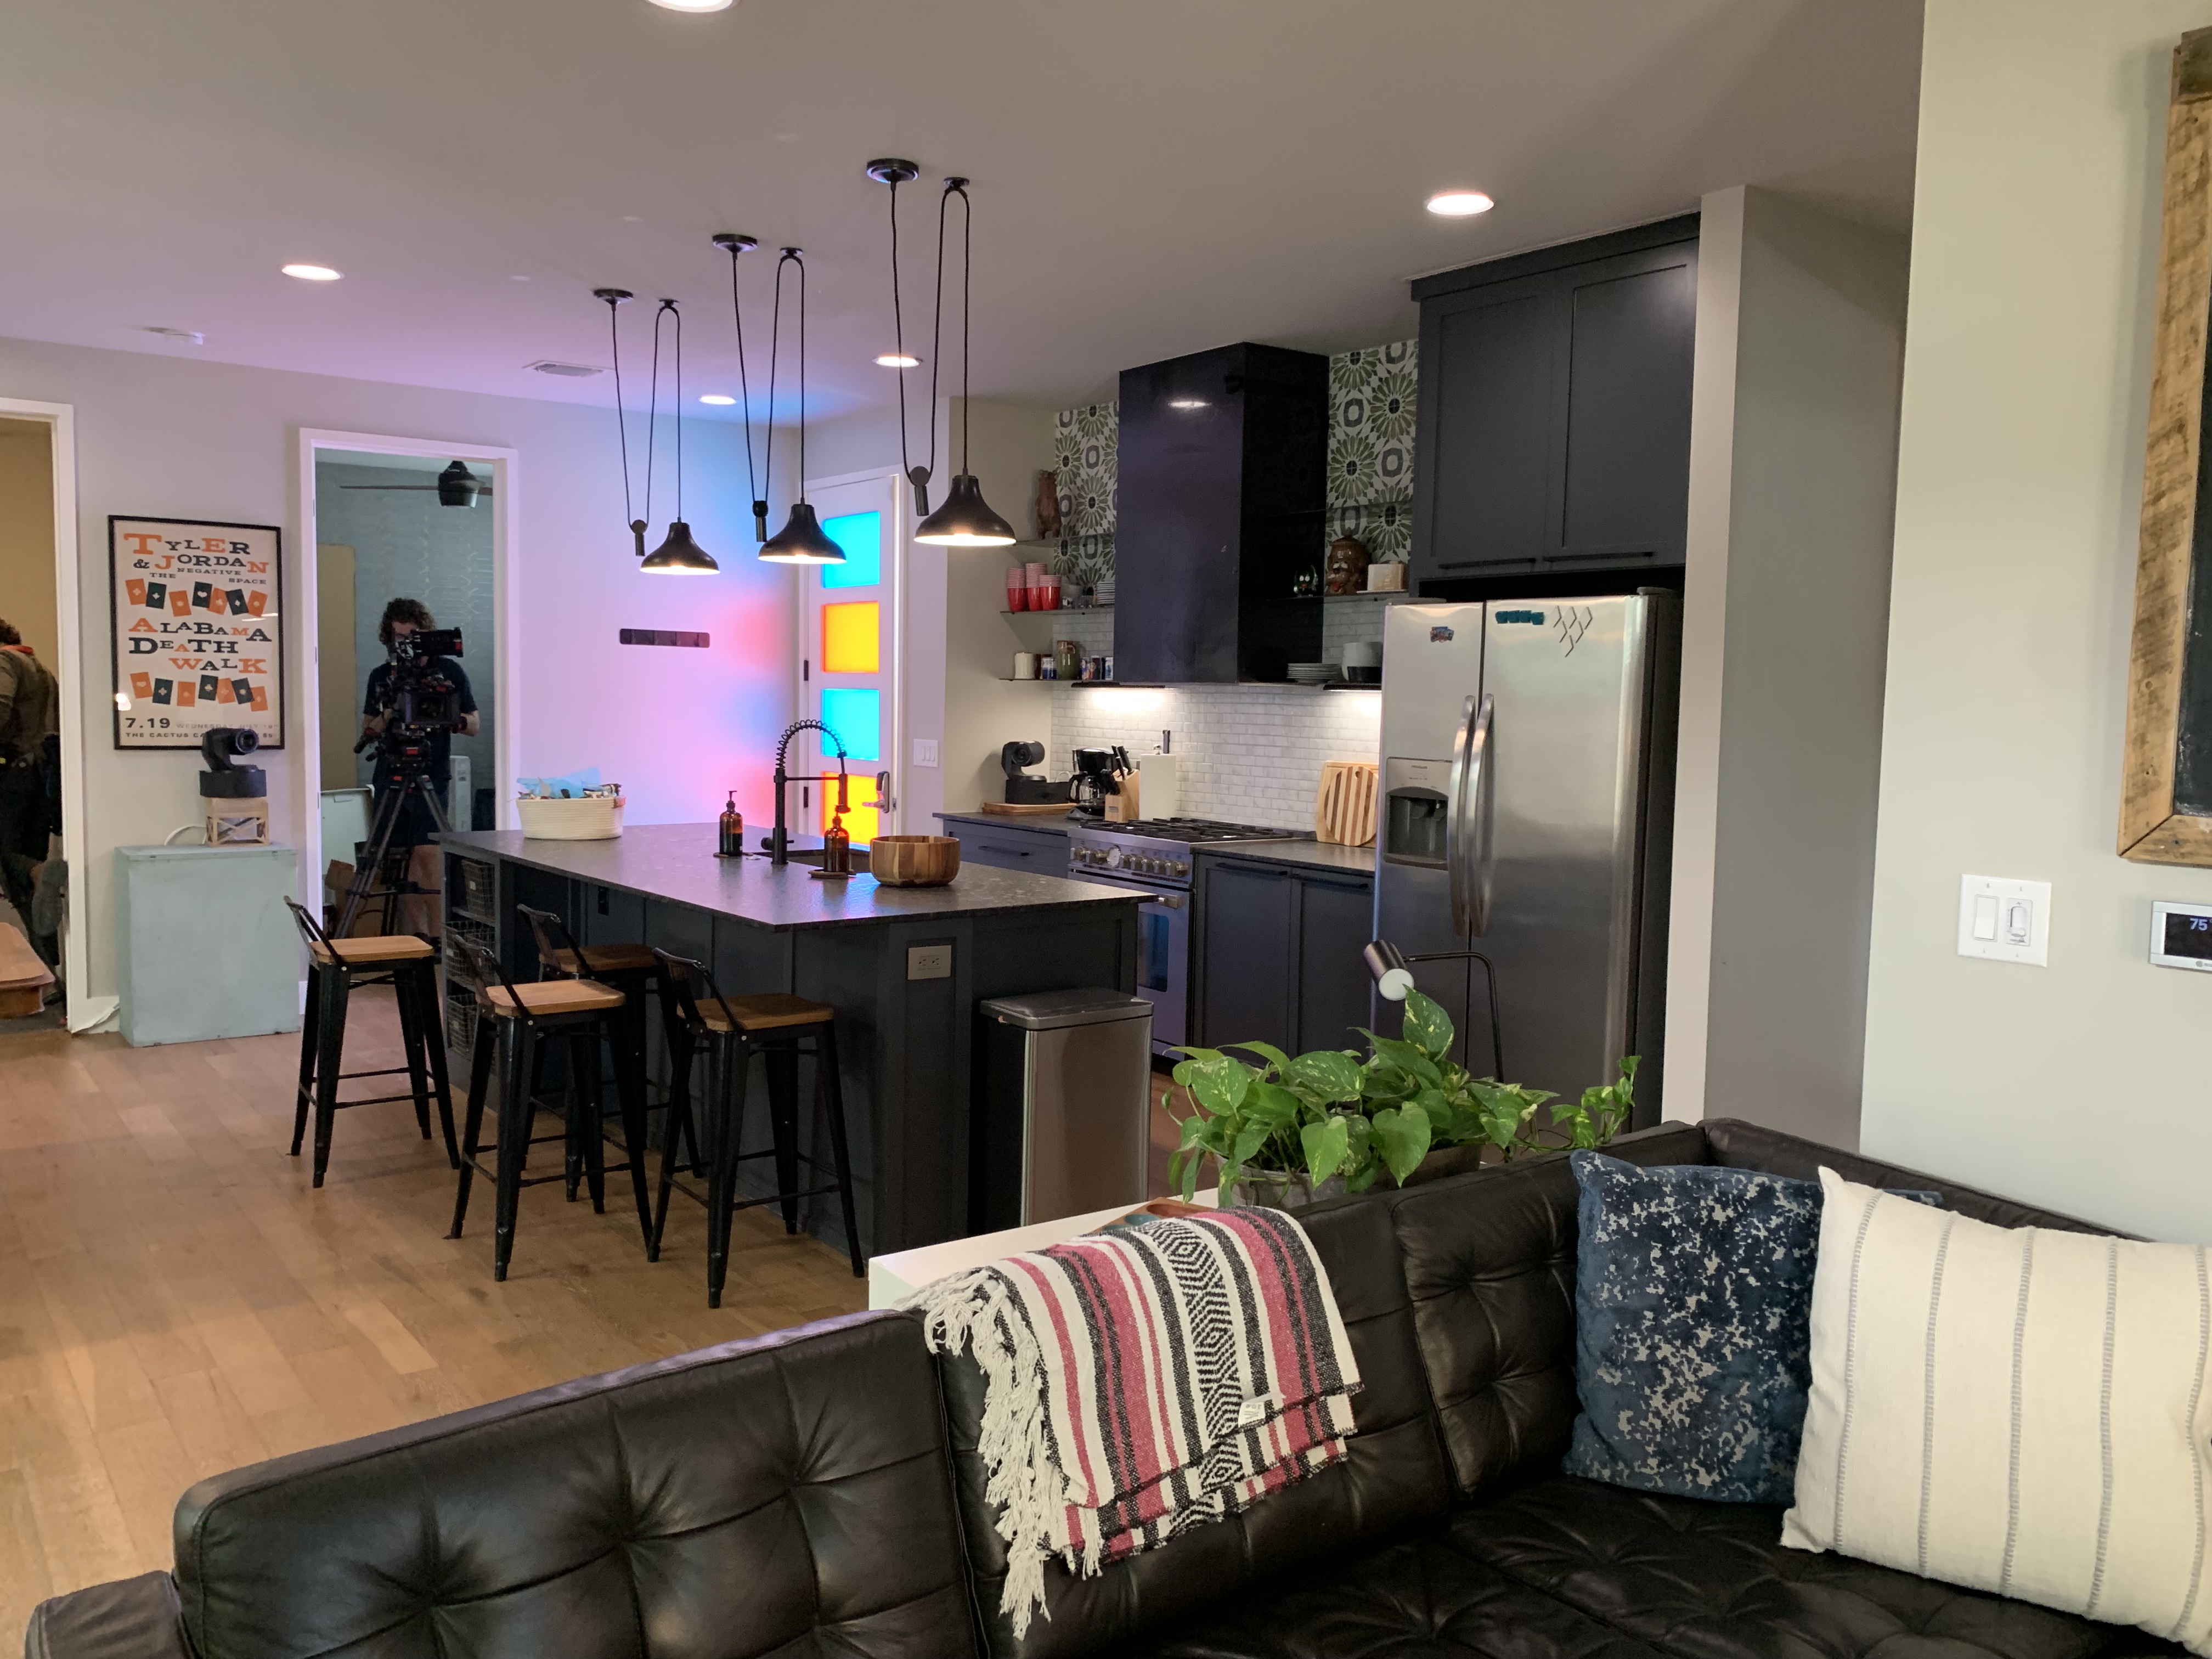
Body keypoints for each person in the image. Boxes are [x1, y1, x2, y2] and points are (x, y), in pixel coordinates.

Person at [360, 599, 477, 938]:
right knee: (401, 858)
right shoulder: (382, 677)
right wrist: (393, 712)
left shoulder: (450, 672)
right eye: (398, 637)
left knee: (430, 853)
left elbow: (474, 725)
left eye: (411, 636)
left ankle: (442, 938)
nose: (406, 645)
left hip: (431, 773)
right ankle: (418, 937)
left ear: (425, 633)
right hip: (391, 775)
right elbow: (368, 731)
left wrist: (443, 713)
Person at [0, 617, 61, 965]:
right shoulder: (43, 671)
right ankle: (54, 973)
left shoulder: (5, 661)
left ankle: (38, 871)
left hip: (13, 774)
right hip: (43, 779)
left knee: (9, 860)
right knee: (30, 891)